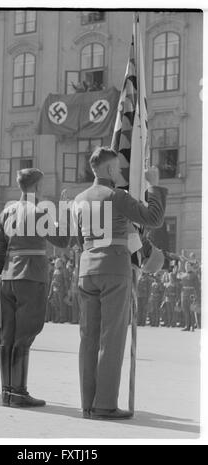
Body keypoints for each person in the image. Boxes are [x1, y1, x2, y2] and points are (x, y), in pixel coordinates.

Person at [72, 147, 165, 420]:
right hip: (114, 268)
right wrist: (153, 185)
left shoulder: (78, 199)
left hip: (87, 268)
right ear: (110, 169)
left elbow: (78, 240)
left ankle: (87, 403)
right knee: (111, 339)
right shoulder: (117, 196)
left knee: (88, 339)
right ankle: (104, 405)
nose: (121, 172)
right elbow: (154, 219)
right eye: (119, 169)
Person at [0, 168, 69, 409]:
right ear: (38, 186)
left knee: (7, 336)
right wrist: (64, 211)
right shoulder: (41, 211)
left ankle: (6, 392)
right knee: (24, 335)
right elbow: (63, 240)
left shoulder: (7, 211)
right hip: (31, 276)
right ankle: (20, 392)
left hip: (7, 277)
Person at [180, 261, 201, 332]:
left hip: (191, 295)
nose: (187, 267)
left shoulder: (194, 275)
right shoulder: (183, 275)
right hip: (184, 294)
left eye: (188, 266)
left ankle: (192, 326)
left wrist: (198, 297)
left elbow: (197, 287)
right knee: (186, 311)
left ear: (191, 267)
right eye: (186, 266)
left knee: (191, 311)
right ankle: (187, 326)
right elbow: (181, 286)